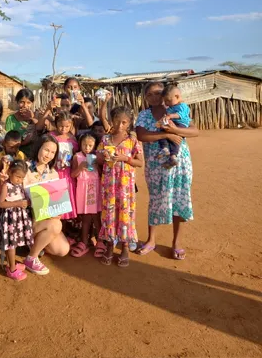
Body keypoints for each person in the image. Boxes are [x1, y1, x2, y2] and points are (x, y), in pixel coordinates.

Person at [135, 81, 199, 261]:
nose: (154, 97)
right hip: (157, 166)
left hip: (181, 163)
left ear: (164, 94)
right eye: (149, 95)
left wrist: (176, 129)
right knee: (156, 200)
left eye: (157, 93)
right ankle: (151, 240)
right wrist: (167, 134)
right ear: (145, 98)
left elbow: (195, 131)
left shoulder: (177, 109)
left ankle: (176, 243)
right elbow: (141, 135)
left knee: (181, 199)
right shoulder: (144, 115)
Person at [97, 107, 143, 267]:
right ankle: (110, 245)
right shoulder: (105, 139)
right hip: (109, 185)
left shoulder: (132, 141)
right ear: (111, 121)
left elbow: (140, 162)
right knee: (109, 214)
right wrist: (103, 156)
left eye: (124, 122)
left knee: (125, 214)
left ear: (129, 123)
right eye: (116, 121)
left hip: (125, 187)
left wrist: (126, 158)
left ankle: (125, 247)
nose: (120, 125)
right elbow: (98, 158)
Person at [23, 134, 70, 275]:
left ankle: (37, 244)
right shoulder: (24, 168)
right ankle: (31, 258)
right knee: (56, 225)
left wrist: (58, 211)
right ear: (38, 147)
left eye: (52, 152)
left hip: (45, 220)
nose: (48, 155)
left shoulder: (53, 174)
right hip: (26, 219)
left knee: (62, 249)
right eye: (46, 150)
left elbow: (56, 201)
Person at [0, 160, 33, 281]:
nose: (19, 180)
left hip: (18, 219)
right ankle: (12, 269)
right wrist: (17, 203)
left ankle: (11, 264)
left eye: (22, 177)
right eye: (17, 176)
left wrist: (27, 202)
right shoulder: (6, 186)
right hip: (10, 220)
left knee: (14, 243)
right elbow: (0, 204)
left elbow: (24, 199)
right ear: (9, 172)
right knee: (11, 244)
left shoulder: (19, 185)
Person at [70, 133, 102, 258]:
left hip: (94, 189)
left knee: (96, 216)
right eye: (84, 145)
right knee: (86, 217)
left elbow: (101, 174)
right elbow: (73, 174)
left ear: (95, 145)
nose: (87, 148)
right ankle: (84, 242)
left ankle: (100, 241)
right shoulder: (77, 157)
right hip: (83, 190)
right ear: (80, 144)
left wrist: (96, 165)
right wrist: (80, 167)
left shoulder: (97, 157)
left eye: (90, 145)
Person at [50, 111, 79, 228]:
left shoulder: (71, 138)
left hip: (67, 173)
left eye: (67, 126)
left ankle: (65, 229)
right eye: (61, 126)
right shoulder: (51, 137)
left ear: (71, 125)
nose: (63, 129)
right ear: (56, 124)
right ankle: (56, 228)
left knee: (66, 199)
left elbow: (76, 154)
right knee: (56, 200)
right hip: (54, 172)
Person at [157, 84, 192, 168]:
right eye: (165, 101)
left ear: (177, 96)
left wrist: (170, 116)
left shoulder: (182, 106)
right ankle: (166, 150)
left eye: (168, 100)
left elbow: (181, 115)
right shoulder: (171, 107)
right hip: (174, 123)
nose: (166, 103)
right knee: (162, 133)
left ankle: (173, 155)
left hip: (181, 124)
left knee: (175, 140)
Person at [5, 88, 37, 158]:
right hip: (15, 155)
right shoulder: (11, 119)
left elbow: (39, 129)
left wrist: (31, 118)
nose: (25, 105)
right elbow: (8, 141)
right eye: (22, 102)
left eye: (28, 102)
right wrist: (23, 142)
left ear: (32, 103)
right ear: (17, 102)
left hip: (33, 155)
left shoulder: (37, 117)